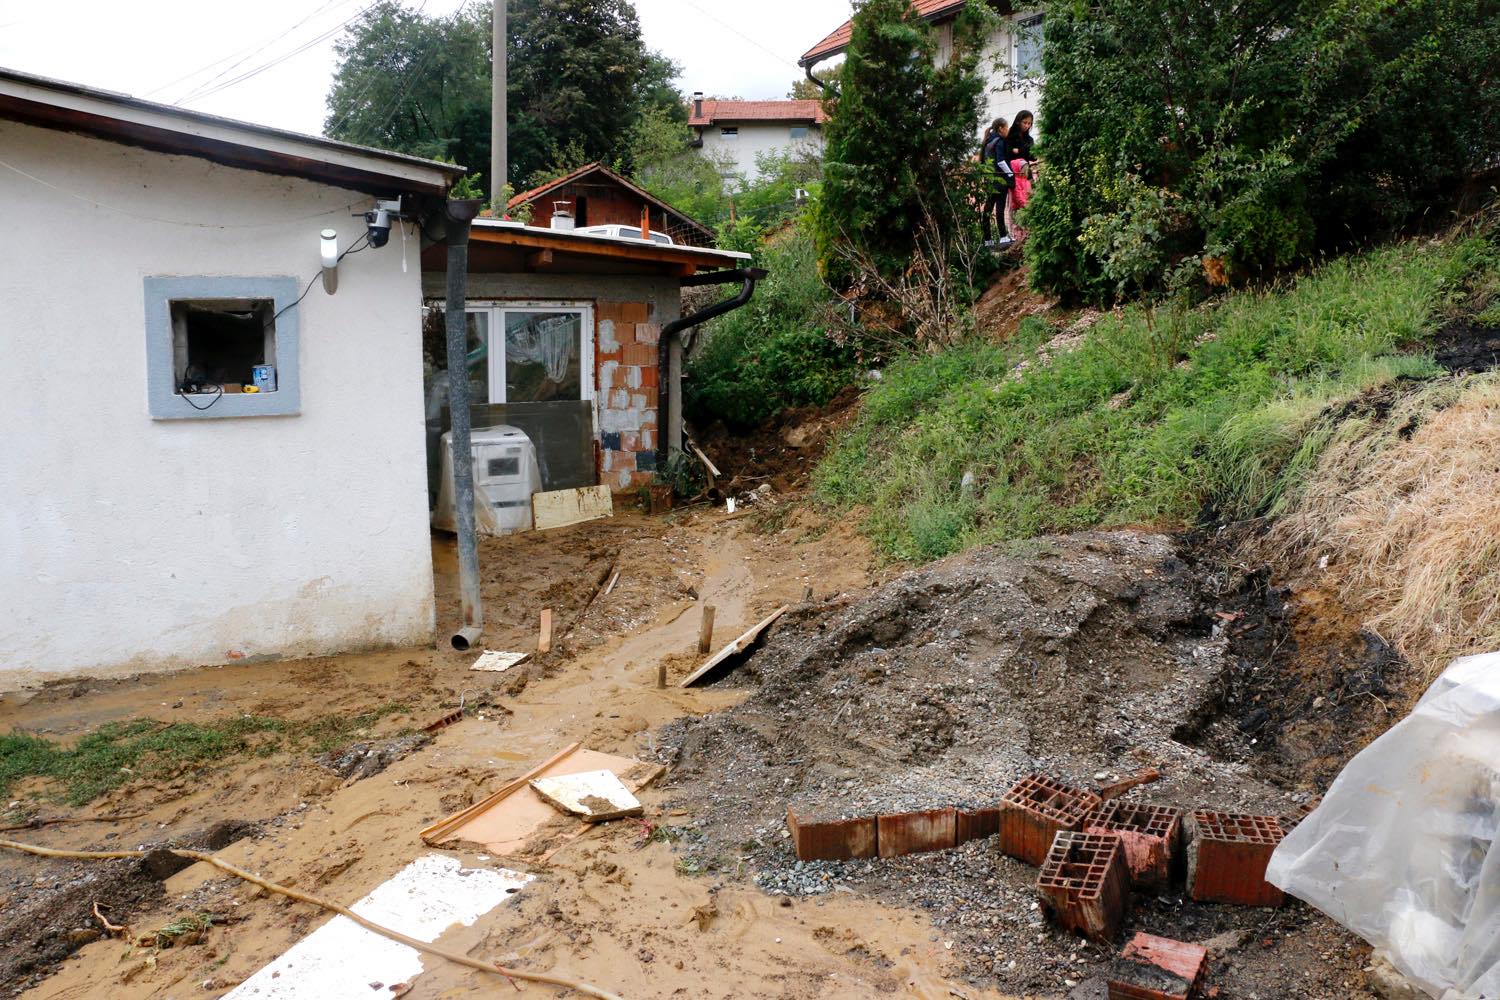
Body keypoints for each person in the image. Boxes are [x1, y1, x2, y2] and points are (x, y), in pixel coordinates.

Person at [980, 118, 1015, 245]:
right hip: (1000, 180)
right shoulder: (999, 141)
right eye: (1007, 127)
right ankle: (1003, 237)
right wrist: (1010, 175)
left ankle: (987, 240)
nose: (1008, 130)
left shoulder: (987, 142)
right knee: (1000, 208)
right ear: (1001, 128)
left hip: (989, 180)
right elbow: (1001, 161)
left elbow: (983, 163)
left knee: (988, 210)